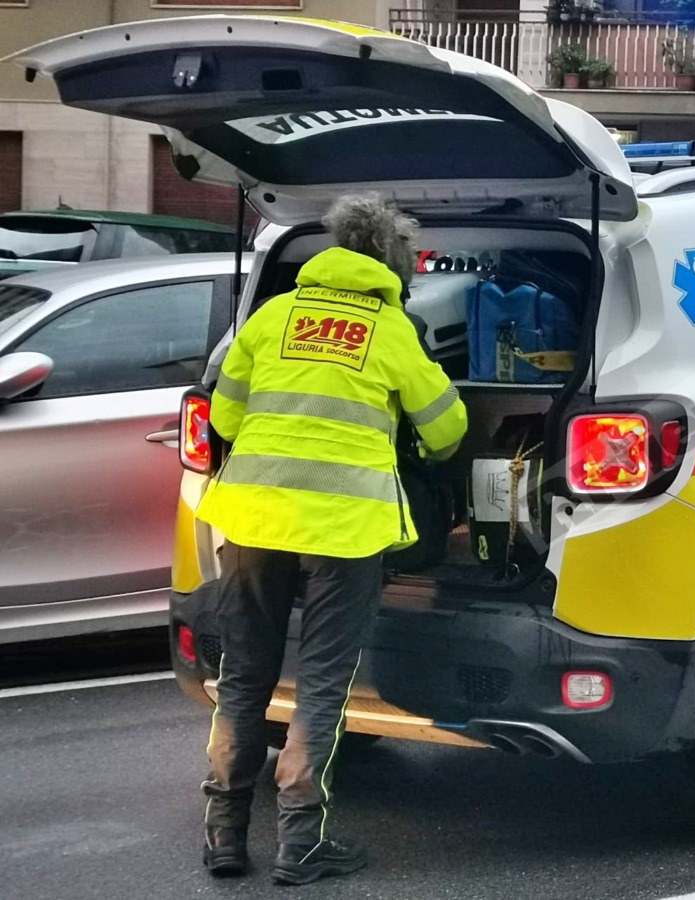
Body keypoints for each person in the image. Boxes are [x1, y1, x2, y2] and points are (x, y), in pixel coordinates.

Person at [194, 195, 466, 885]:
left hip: (253, 523)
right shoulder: (389, 327)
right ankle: (299, 843)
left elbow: (223, 412)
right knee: (319, 683)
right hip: (344, 534)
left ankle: (225, 834)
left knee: (246, 675)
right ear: (390, 264)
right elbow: (447, 429)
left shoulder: (272, 315)